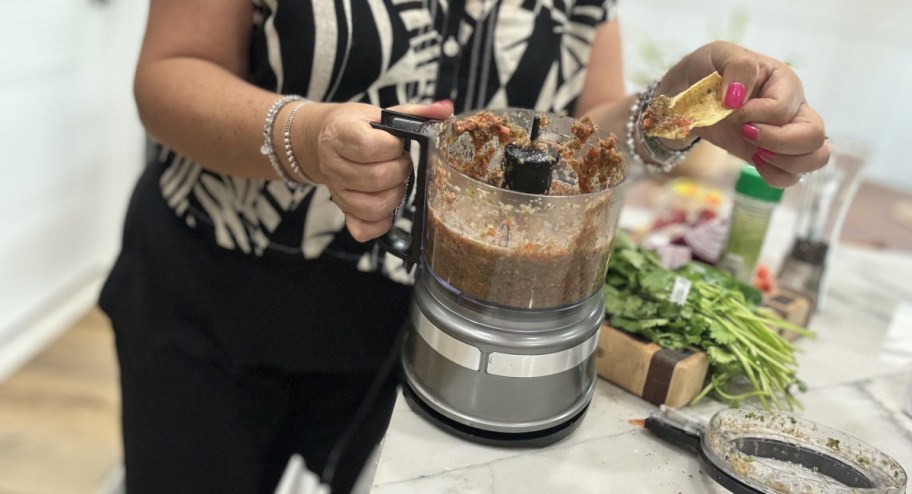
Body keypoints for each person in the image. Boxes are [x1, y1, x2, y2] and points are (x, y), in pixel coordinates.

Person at [99, 1, 829, 493]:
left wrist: (671, 108)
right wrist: (309, 138)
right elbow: (168, 73)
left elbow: (573, 137)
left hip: (418, 329)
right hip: (215, 298)